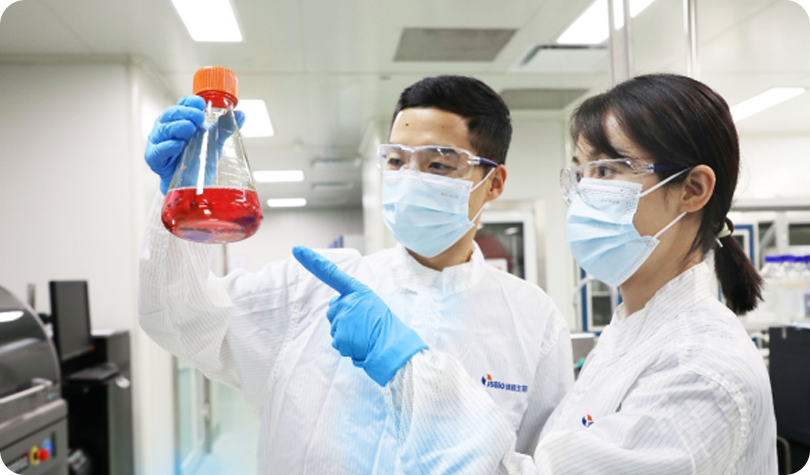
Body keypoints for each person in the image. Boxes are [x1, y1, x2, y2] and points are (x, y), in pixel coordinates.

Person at [294, 73, 778, 474]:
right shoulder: (632, 335)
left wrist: (410, 368)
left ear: (692, 190)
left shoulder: (700, 370)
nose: (584, 194)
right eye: (580, 173)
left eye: (606, 171)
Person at [139, 75, 574, 474]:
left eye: (438, 165)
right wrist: (180, 192)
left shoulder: (533, 320)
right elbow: (180, 317)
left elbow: (539, 464)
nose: (409, 178)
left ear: (494, 183)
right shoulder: (313, 286)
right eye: (397, 160)